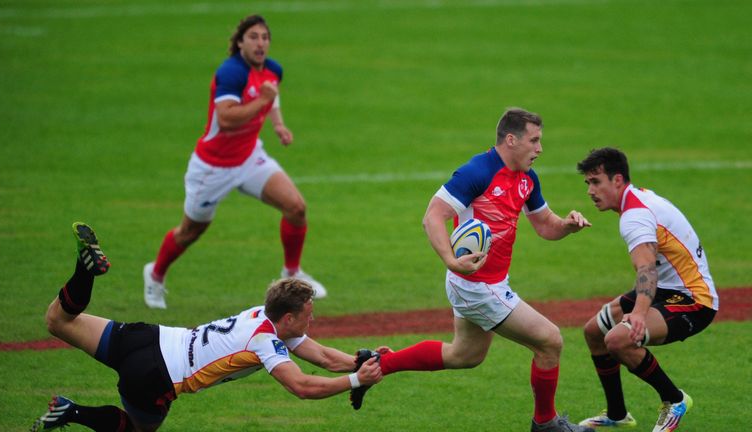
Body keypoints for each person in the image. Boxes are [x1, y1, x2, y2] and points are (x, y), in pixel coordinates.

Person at [357, 108, 593, 431]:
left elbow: (545, 226)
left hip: (487, 282)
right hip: (477, 285)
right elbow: (433, 217)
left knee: (464, 355)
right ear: (511, 140)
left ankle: (377, 365)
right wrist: (452, 261)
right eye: (534, 141)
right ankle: (546, 423)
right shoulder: (477, 172)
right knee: (550, 341)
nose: (539, 149)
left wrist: (567, 225)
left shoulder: (527, 179)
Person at [32, 222, 381, 432]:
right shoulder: (265, 342)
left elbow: (320, 355)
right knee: (137, 429)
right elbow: (302, 387)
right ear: (288, 318)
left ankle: (84, 269)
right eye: (309, 313)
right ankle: (71, 410)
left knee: (57, 320)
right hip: (155, 375)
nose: (313, 319)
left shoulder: (264, 314)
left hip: (147, 337)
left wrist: (359, 361)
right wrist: (355, 381)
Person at [143, 14, 326, 309]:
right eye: (253, 36)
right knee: (190, 232)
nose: (260, 43)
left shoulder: (272, 70)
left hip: (250, 156)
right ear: (240, 41)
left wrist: (278, 124)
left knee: (296, 207)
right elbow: (226, 119)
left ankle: (292, 274)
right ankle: (155, 274)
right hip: (212, 168)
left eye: (265, 37)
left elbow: (272, 97)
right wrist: (261, 102)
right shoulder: (231, 73)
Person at [575, 147, 718, 431]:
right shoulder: (637, 199)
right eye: (588, 183)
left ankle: (674, 399)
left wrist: (639, 314)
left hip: (694, 300)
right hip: (667, 288)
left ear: (618, 180)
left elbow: (646, 270)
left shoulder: (635, 216)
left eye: (596, 182)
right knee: (594, 332)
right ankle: (617, 414)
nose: (590, 191)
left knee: (618, 340)